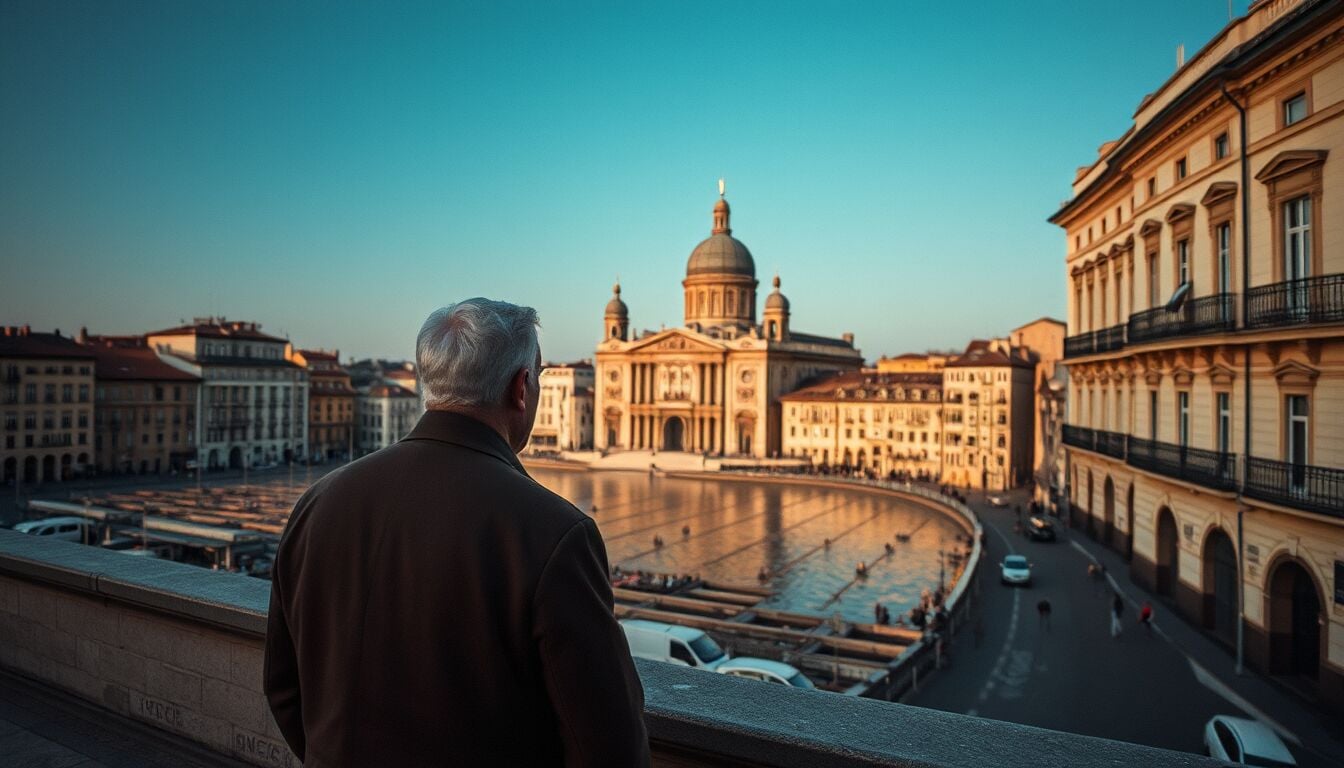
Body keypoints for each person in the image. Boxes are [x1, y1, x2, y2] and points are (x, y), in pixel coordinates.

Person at [264, 299, 649, 767]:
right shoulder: (555, 533)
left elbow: (284, 688)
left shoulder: (319, 502)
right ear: (521, 388)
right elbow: (608, 744)